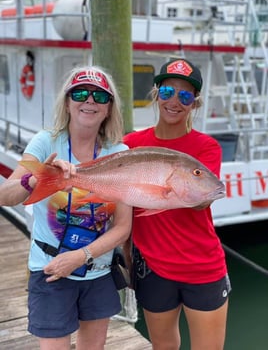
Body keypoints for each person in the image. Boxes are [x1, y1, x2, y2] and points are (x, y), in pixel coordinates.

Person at [0, 66, 132, 350]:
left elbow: (123, 226)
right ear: (68, 103)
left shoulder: (119, 153)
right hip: (51, 268)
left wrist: (81, 256)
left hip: (97, 269)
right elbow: (5, 196)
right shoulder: (46, 141)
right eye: (80, 93)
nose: (90, 101)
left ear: (109, 108)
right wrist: (37, 177)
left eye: (100, 96)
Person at [123, 58, 231, 350]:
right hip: (152, 268)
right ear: (156, 93)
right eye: (168, 91)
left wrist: (178, 185)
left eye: (185, 95)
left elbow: (199, 202)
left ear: (194, 103)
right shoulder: (131, 144)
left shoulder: (206, 147)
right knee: (164, 346)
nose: (174, 101)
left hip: (202, 266)